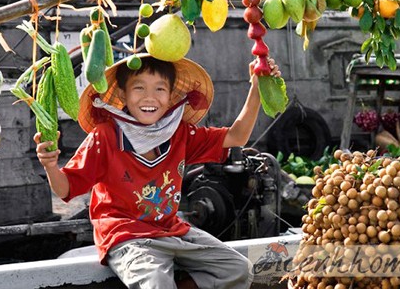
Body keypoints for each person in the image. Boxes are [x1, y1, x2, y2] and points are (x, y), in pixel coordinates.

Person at [35, 53, 281, 289]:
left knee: (239, 269)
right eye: (139, 88)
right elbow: (65, 188)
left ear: (171, 96)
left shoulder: (179, 132)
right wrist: (50, 165)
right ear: (123, 94)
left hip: (172, 229)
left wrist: (257, 88)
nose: (149, 97)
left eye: (160, 89)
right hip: (126, 236)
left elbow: (236, 136)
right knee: (156, 283)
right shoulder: (106, 136)